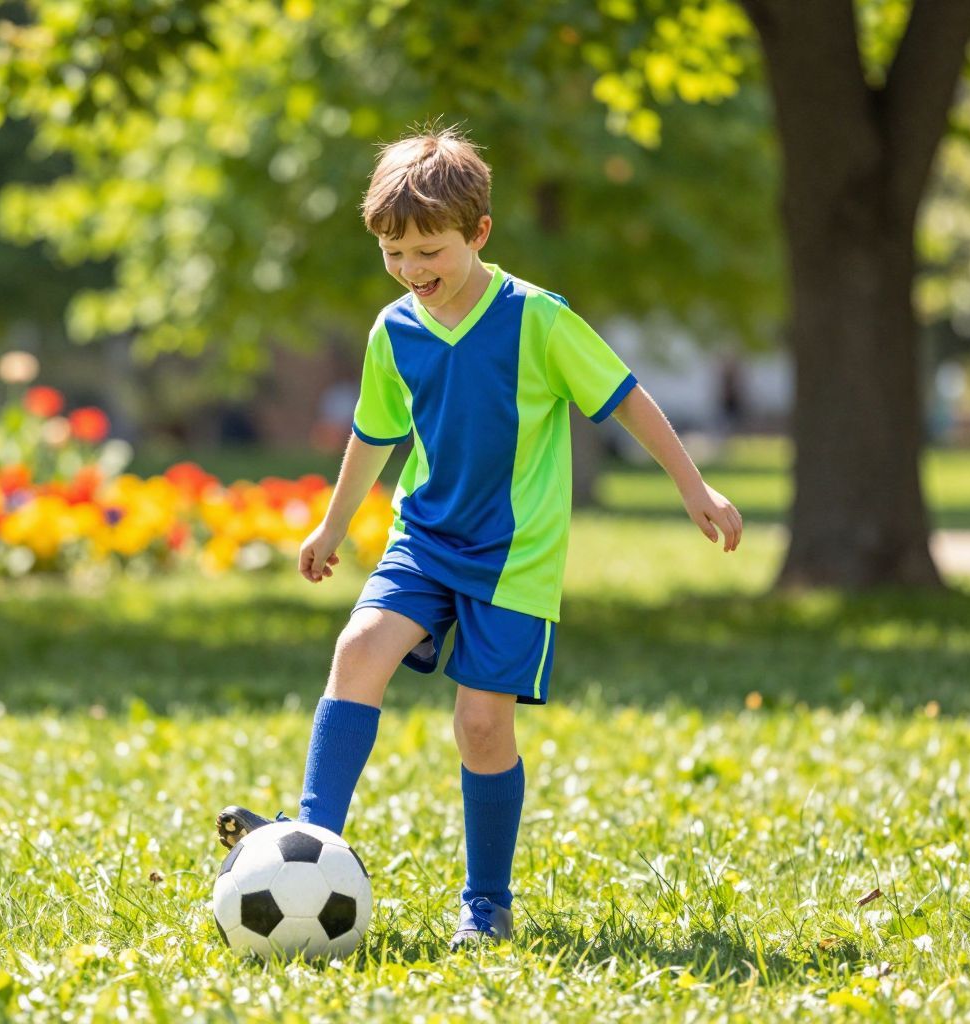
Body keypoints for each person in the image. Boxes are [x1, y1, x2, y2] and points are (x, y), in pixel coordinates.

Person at [214, 126, 742, 950]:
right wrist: (332, 523)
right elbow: (374, 433)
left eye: (429, 250)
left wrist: (692, 484)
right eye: (393, 252)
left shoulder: (537, 320)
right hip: (424, 537)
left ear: (480, 233)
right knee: (359, 648)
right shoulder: (394, 329)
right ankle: (311, 839)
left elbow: (626, 397)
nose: (411, 268)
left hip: (513, 556)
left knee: (482, 726)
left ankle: (486, 902)